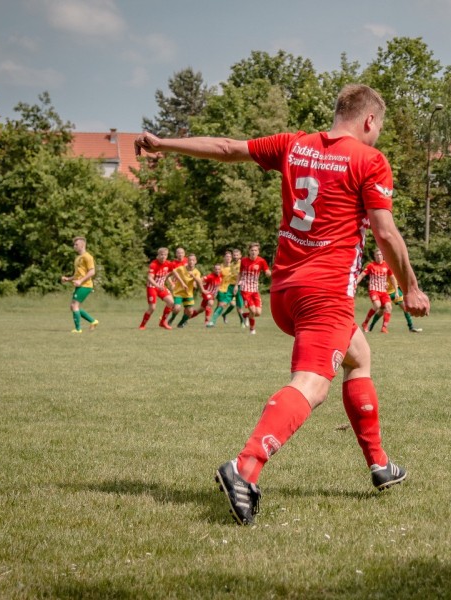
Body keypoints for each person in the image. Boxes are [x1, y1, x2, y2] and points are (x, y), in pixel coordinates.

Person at [134, 83, 430, 526]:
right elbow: (386, 233)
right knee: (313, 385)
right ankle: (245, 467)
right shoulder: (369, 160)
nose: (378, 137)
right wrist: (411, 286)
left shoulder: (294, 145)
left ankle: (380, 465)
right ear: (369, 120)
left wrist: (164, 142)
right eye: (380, 128)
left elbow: (225, 147)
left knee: (358, 355)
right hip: (324, 294)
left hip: (285, 292)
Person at [60, 236, 99, 333]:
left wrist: (81, 281)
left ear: (82, 245)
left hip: (86, 285)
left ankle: (78, 329)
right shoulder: (78, 258)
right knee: (73, 307)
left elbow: (92, 272)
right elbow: (78, 275)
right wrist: (68, 279)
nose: (74, 246)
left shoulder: (88, 257)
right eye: (74, 244)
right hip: (81, 285)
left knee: (74, 306)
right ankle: (93, 321)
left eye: (76, 244)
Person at [356, 248, 397, 333]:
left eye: (380, 255)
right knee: (377, 305)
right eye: (377, 255)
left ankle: (384, 328)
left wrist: (396, 291)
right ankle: (365, 323)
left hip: (383, 291)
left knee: (388, 306)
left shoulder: (387, 265)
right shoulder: (371, 265)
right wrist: (354, 284)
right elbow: (362, 275)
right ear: (374, 256)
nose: (379, 257)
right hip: (373, 290)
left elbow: (392, 278)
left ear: (383, 256)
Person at [236, 242, 271, 335]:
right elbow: (240, 273)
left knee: (258, 313)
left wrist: (268, 273)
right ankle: (252, 329)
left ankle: (245, 316)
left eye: (255, 250)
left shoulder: (261, 261)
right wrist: (236, 285)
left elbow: (267, 270)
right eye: (252, 250)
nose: (253, 252)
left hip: (255, 290)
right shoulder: (243, 261)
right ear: (249, 251)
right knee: (253, 310)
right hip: (245, 289)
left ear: (258, 252)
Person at [139, 247, 176, 330]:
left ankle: (162, 322)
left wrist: (172, 283)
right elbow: (149, 278)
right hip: (152, 287)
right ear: (158, 255)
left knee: (171, 303)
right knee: (152, 308)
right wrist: (157, 285)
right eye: (162, 255)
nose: (163, 256)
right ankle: (142, 325)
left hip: (161, 286)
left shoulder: (168, 263)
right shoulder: (153, 264)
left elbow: (172, 272)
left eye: (165, 255)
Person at [171, 253, 206, 328]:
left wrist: (193, 277)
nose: (191, 262)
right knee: (177, 308)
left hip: (188, 294)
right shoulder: (181, 268)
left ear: (195, 261)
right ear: (187, 261)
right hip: (179, 292)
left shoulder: (196, 272)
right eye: (190, 260)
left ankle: (180, 324)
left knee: (190, 311)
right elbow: (173, 271)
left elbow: (198, 281)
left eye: (193, 260)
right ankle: (171, 319)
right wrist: (170, 281)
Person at [221, 247, 247, 327]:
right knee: (236, 306)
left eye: (237, 255)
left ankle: (244, 319)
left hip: (242, 286)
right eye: (234, 255)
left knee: (239, 306)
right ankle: (242, 322)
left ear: (240, 255)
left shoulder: (243, 263)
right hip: (232, 287)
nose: (235, 256)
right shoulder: (232, 265)